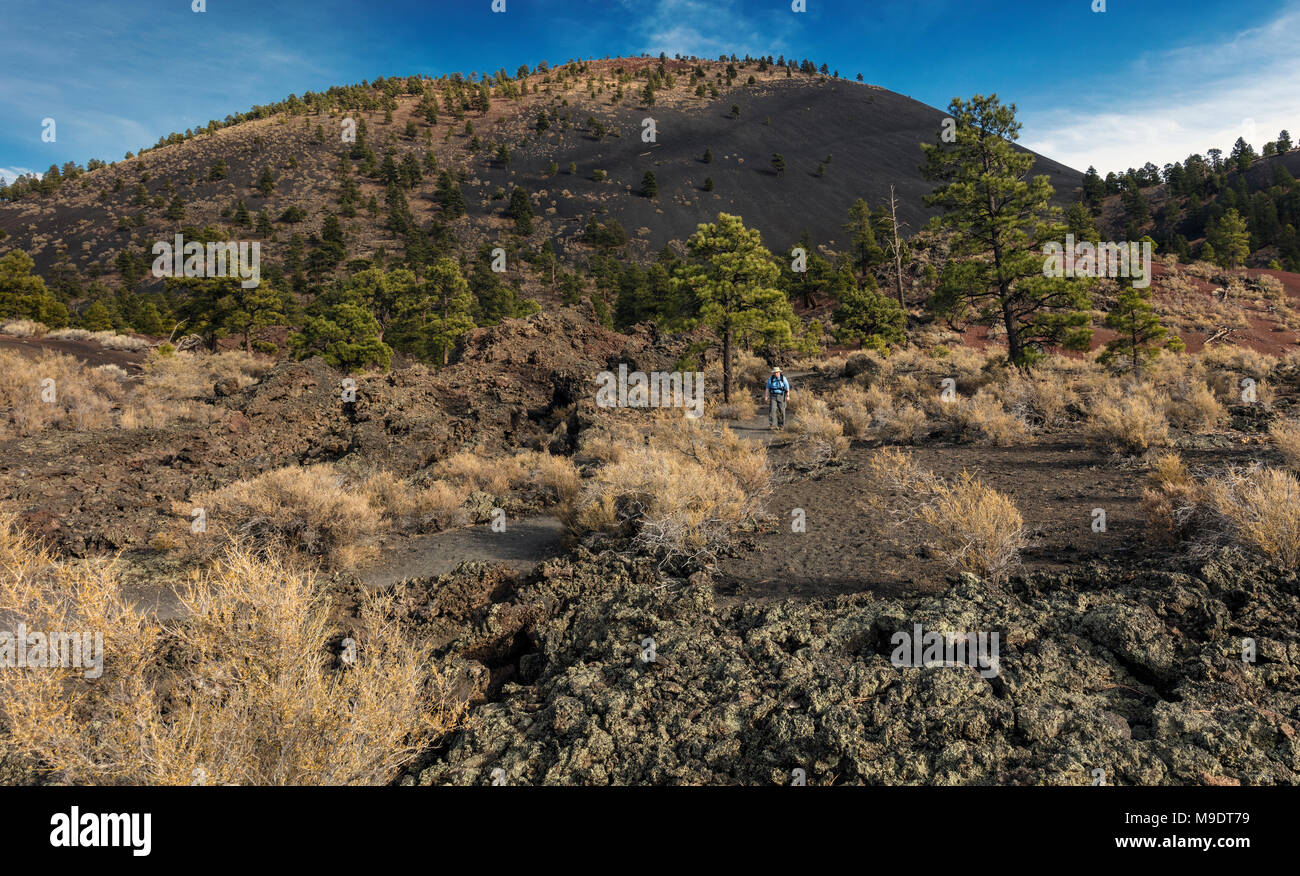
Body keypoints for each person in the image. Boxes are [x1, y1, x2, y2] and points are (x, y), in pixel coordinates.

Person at [764, 366, 791, 430]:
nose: (776, 373)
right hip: (773, 396)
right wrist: (766, 396)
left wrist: (788, 396)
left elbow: (787, 388)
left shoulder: (783, 378)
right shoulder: (771, 378)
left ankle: (781, 425)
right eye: (775, 372)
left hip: (781, 396)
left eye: (777, 372)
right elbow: (767, 388)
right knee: (772, 410)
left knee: (781, 411)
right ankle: (772, 425)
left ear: (779, 372)